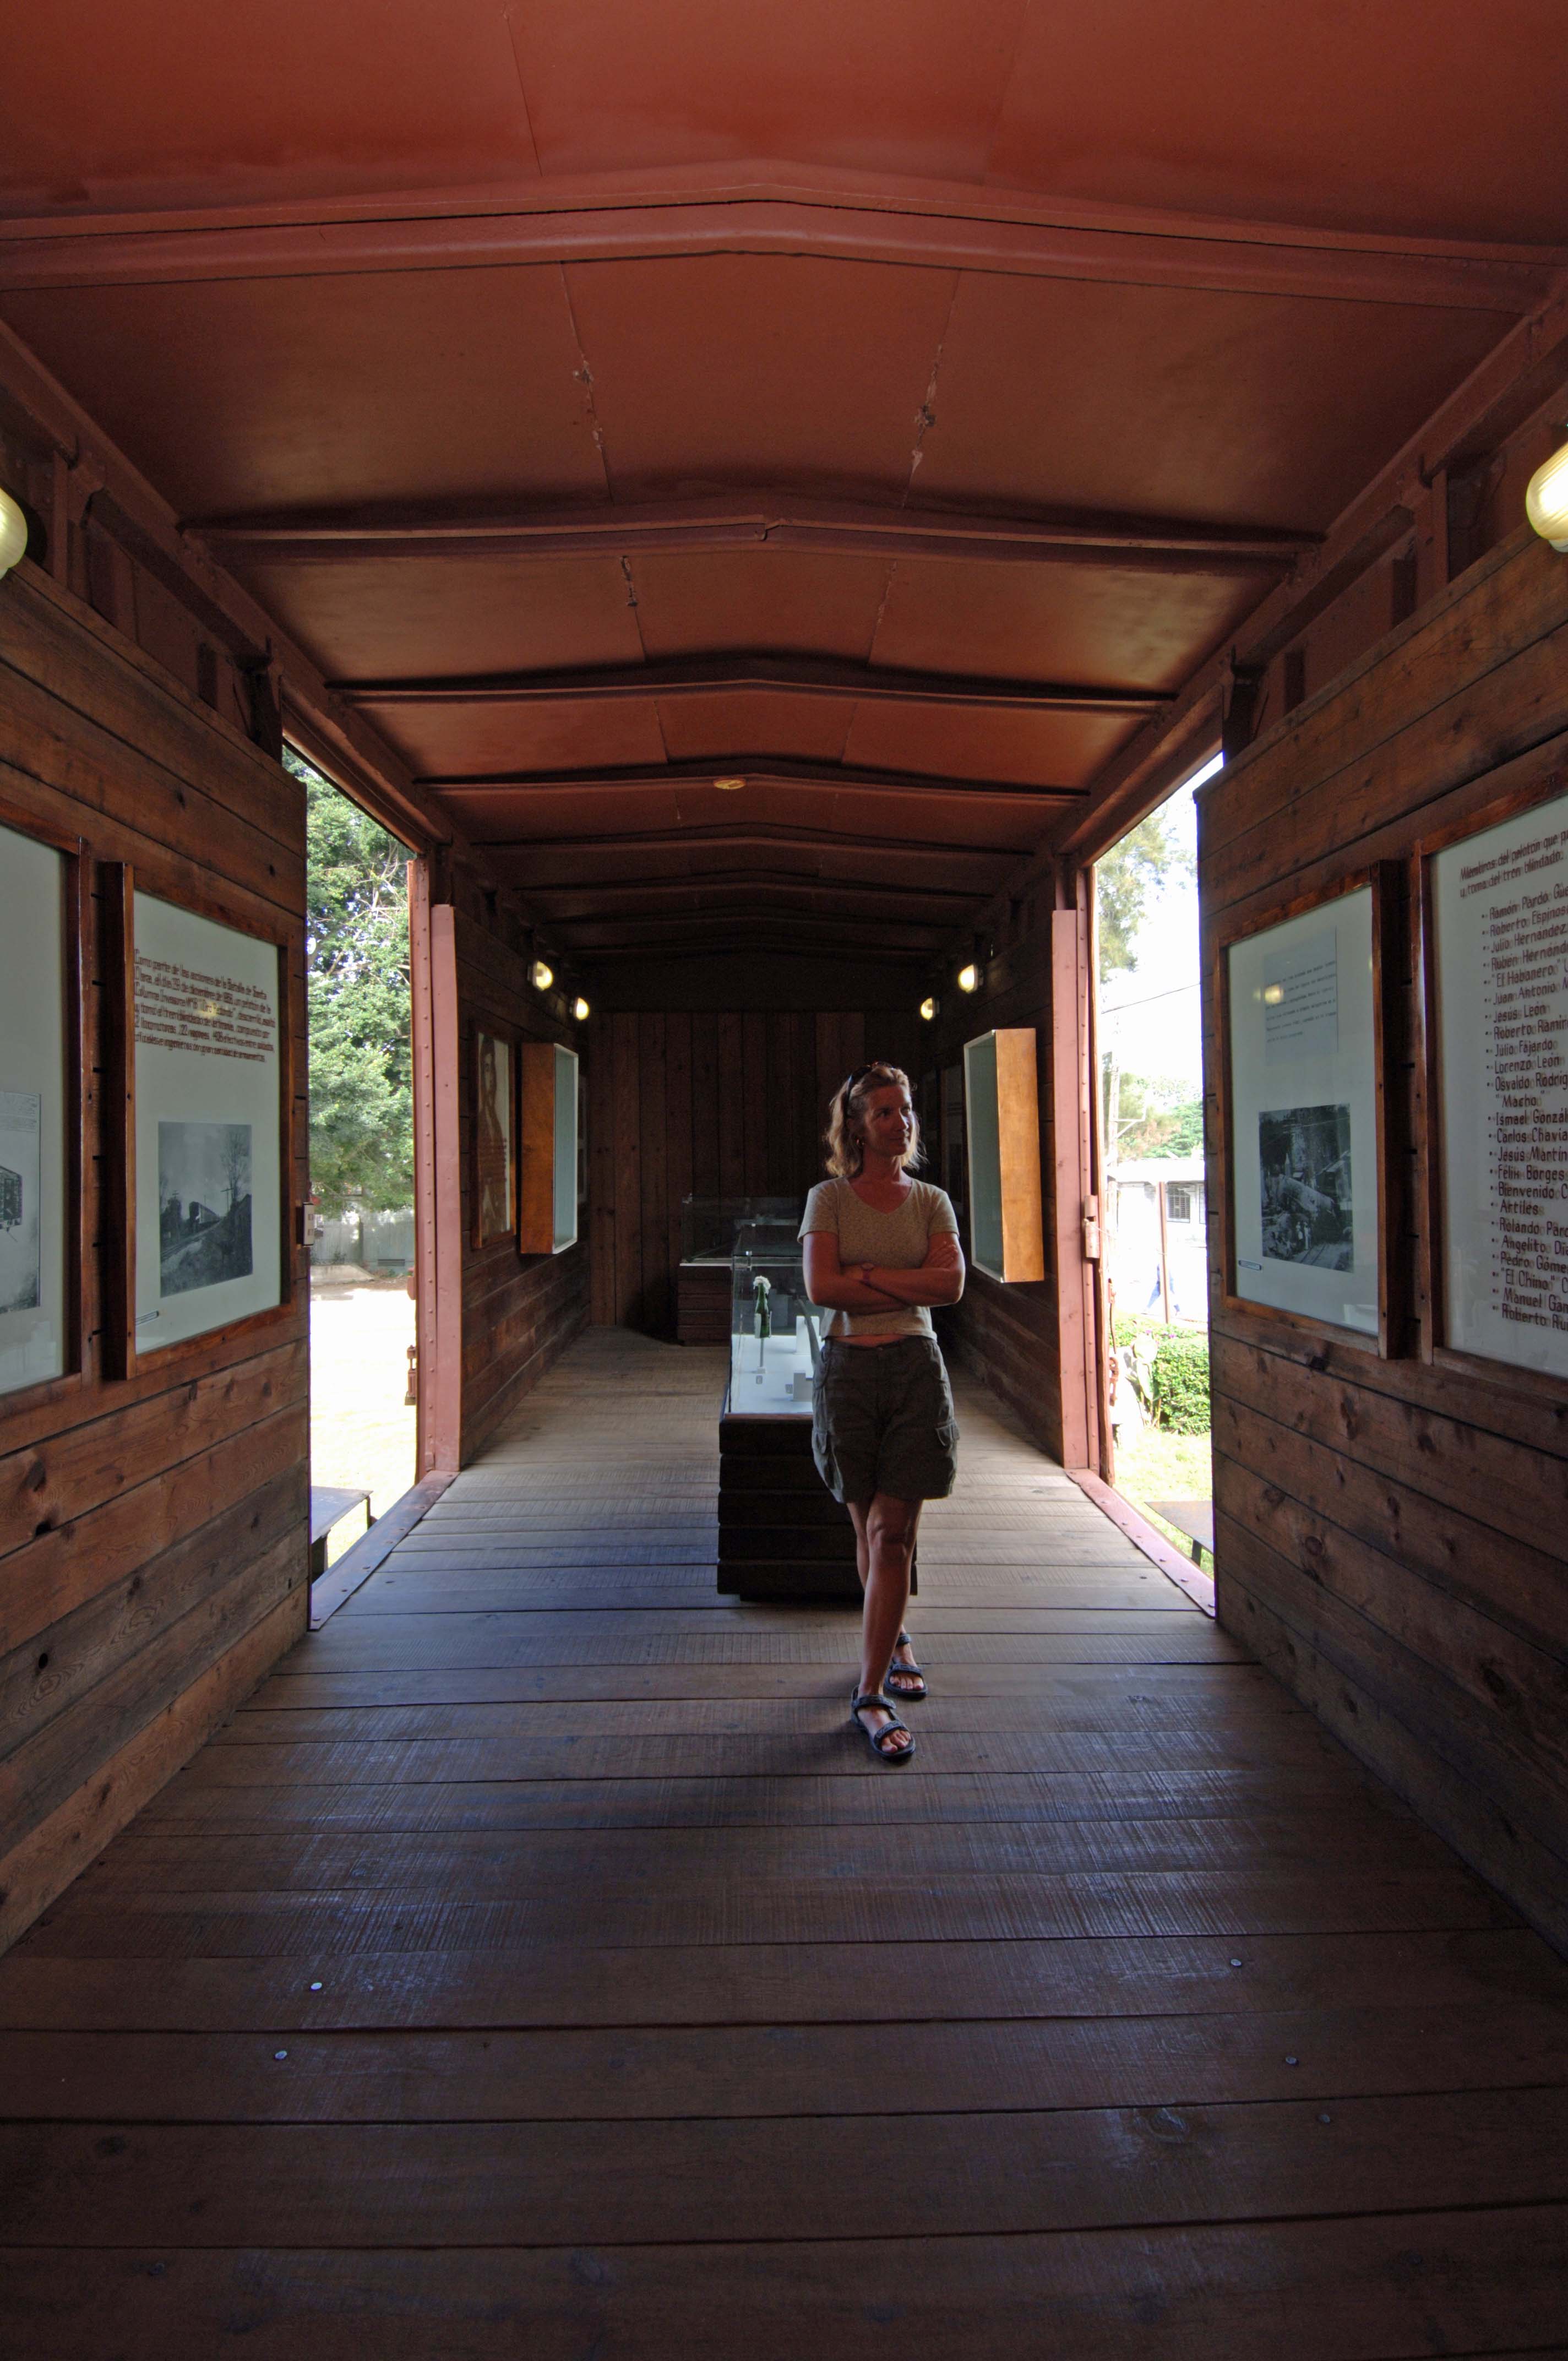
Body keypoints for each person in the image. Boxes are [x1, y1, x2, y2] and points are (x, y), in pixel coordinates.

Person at [800, 1063, 965, 1764]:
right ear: (857, 1127)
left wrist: (865, 1276)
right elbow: (819, 1287)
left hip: (913, 1367)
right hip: (848, 1372)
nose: (901, 1122)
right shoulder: (829, 1199)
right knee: (867, 1528)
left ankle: (870, 1694)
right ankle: (893, 1638)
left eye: (905, 1110)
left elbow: (949, 1285)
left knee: (892, 1532)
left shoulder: (931, 1201)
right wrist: (898, 1284)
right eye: (886, 1113)